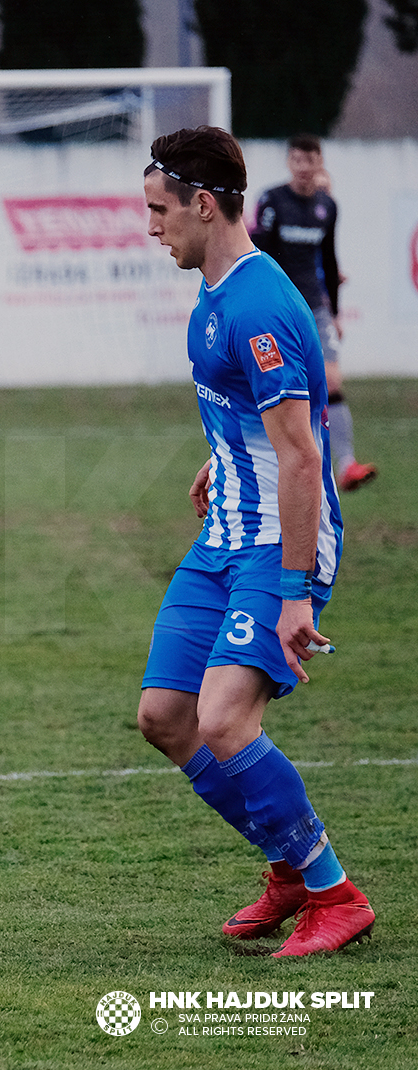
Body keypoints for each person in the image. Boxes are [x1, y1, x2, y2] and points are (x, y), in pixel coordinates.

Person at [138, 126, 373, 957]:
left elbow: (306, 453)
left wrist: (296, 590)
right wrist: (221, 452)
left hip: (279, 545)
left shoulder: (258, 304)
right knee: (166, 718)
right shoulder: (215, 288)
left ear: (206, 205)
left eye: (160, 210)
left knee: (225, 718)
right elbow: (268, 416)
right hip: (226, 533)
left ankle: (333, 892)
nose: (153, 225)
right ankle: (286, 867)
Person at [251, 134, 377, 491]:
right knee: (283, 385)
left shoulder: (327, 206)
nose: (304, 168)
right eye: (297, 160)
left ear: (320, 163)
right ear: (289, 163)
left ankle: (347, 464)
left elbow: (329, 257)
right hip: (279, 306)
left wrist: (335, 311)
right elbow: (261, 253)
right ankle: (280, 462)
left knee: (332, 380)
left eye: (311, 161)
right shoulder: (272, 201)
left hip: (316, 306)